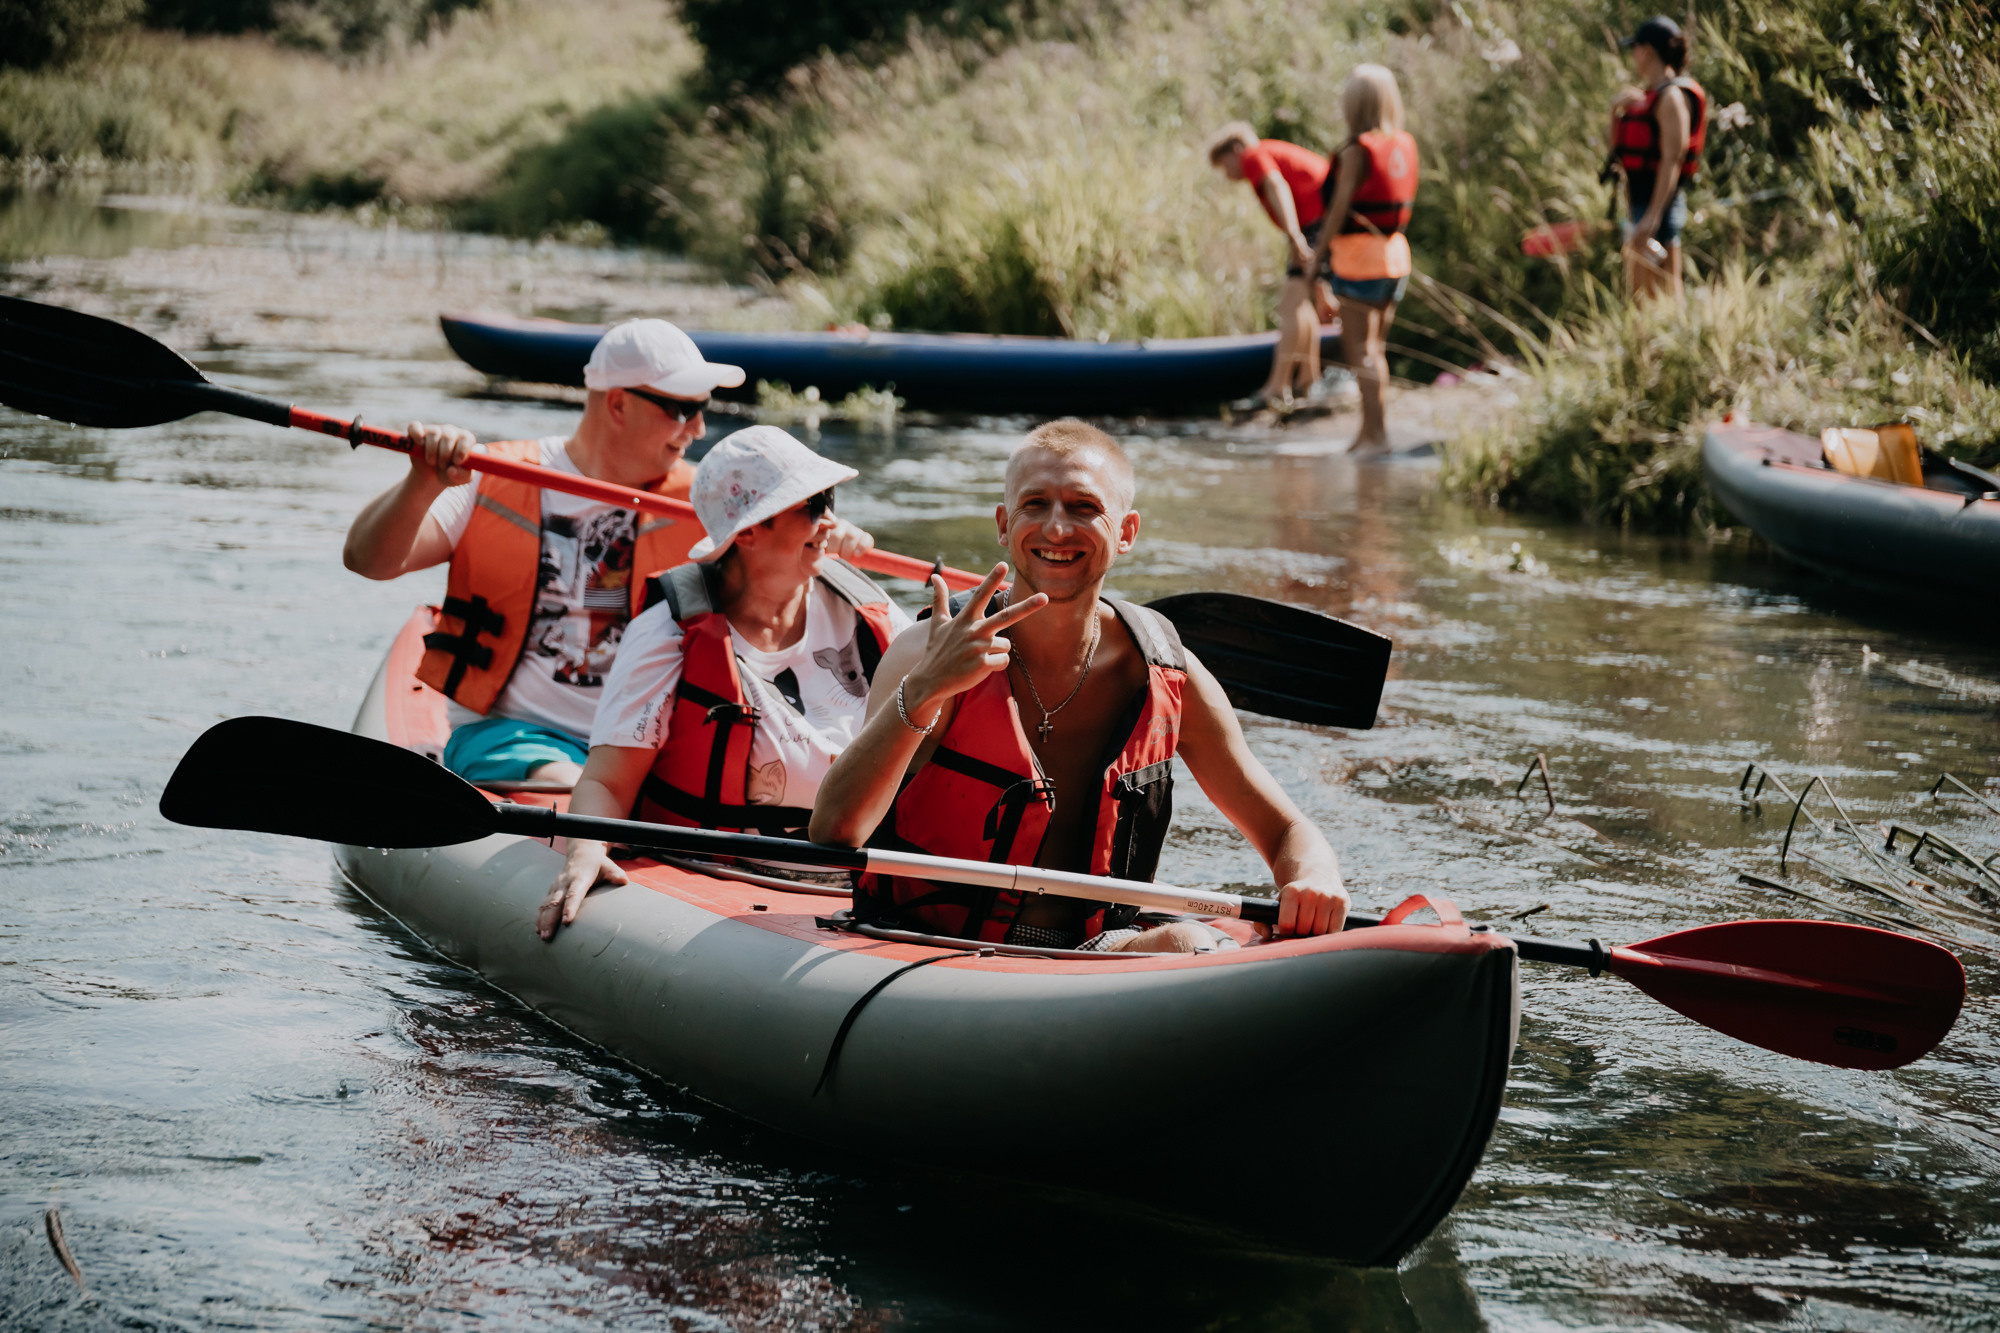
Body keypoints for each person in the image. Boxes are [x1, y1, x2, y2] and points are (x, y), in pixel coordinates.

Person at [809, 419, 1349, 954]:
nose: (1057, 529)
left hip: (1092, 952)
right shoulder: (926, 651)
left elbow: (1285, 832)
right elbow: (834, 832)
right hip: (922, 945)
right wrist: (925, 688)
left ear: (1127, 532)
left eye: (1084, 507)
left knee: (1188, 939)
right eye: (1035, 504)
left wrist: (1315, 875)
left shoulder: (1167, 671)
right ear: (1003, 523)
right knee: (1186, 939)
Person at [342, 319, 876, 786]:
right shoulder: (491, 474)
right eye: (681, 409)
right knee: (575, 785)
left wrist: (821, 538)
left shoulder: (714, 505)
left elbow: (783, 550)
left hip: (647, 743)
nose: (698, 428)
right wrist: (421, 482)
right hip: (515, 735)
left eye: (701, 409)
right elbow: (370, 561)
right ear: (618, 403)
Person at [538, 426, 914, 940]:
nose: (831, 520)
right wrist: (583, 851)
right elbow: (606, 781)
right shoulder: (667, 632)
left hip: (854, 879)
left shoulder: (866, 611)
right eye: (811, 506)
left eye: (830, 501)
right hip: (719, 876)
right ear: (748, 532)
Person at [1307, 64, 1419, 455]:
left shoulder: (1357, 150)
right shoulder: (1403, 141)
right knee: (1376, 350)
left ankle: (1377, 436)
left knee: (1362, 352)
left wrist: (1315, 258)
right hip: (1395, 256)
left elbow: (1337, 211)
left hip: (1360, 261)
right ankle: (1370, 432)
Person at [1206, 122, 1332, 408]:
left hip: (1316, 222)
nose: (1227, 174)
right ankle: (1307, 380)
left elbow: (1276, 184)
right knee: (1301, 304)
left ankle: (1276, 389)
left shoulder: (1253, 154)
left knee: (1289, 304)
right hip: (1322, 220)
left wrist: (1294, 236)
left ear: (1235, 150)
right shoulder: (1269, 151)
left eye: (1224, 164)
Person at [1610, 15, 1706, 301]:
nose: (1633, 56)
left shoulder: (1672, 98)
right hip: (1641, 206)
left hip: (1657, 209)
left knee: (1660, 297)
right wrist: (1612, 112)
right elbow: (1614, 152)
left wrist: (1652, 217)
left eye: (1635, 48)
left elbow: (1672, 160)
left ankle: (1668, 344)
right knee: (1642, 297)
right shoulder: (1648, 97)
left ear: (1648, 51)